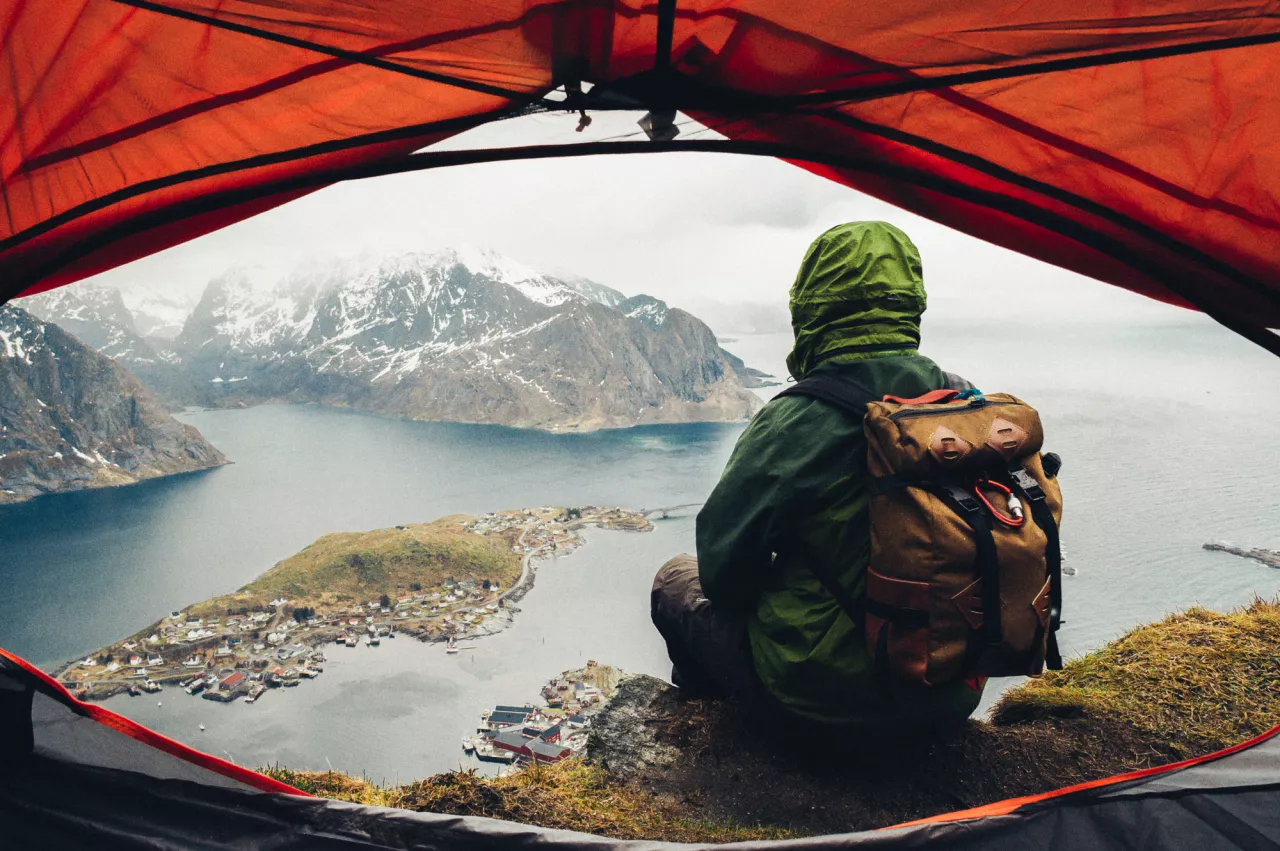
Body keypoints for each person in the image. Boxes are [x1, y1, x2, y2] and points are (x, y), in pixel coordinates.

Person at [651, 221, 984, 733]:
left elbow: (722, 573)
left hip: (826, 705)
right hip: (950, 693)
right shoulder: (961, 403)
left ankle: (705, 736)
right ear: (910, 302)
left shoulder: (796, 419)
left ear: (812, 308)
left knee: (675, 580)